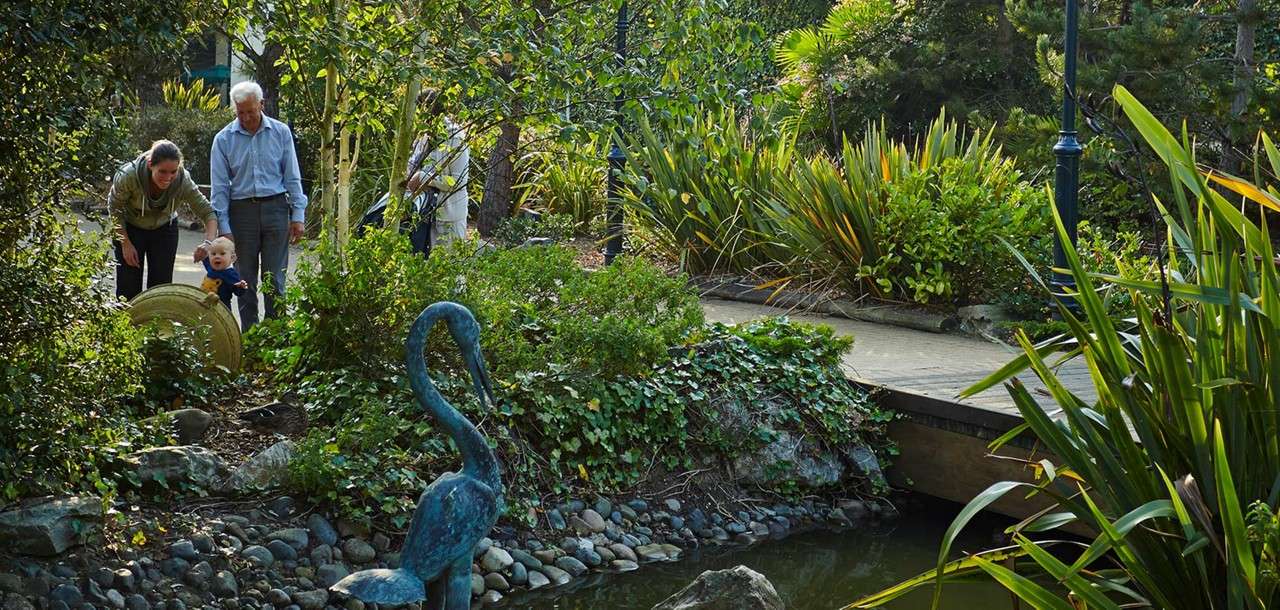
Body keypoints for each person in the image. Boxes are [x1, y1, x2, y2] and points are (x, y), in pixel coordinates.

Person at [210, 81, 308, 332]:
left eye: (250, 111)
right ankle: (251, 335)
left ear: (261, 105)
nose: (245, 118)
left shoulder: (281, 132)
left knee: (275, 278)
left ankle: (276, 334)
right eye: (240, 112)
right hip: (241, 212)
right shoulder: (223, 139)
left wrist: (298, 215)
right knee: (244, 279)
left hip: (276, 208)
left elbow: (292, 176)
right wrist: (224, 227)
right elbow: (219, 188)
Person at [109, 139, 219, 300]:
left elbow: (208, 212)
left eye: (173, 171)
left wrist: (208, 242)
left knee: (160, 288)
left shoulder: (183, 181)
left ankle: (157, 317)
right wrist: (125, 243)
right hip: (130, 227)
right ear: (150, 165)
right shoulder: (128, 176)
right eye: (162, 171)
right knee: (128, 287)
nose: (168, 177)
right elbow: (114, 209)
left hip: (164, 227)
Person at [406, 95, 469, 245]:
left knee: (449, 259)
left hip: (448, 218)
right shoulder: (424, 135)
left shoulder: (455, 138)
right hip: (423, 216)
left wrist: (423, 177)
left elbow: (459, 181)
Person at [199, 236, 248, 311]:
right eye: (213, 254)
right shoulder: (211, 267)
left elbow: (237, 291)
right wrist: (201, 255)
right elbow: (205, 260)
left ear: (232, 258)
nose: (217, 256)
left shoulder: (230, 274)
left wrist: (241, 287)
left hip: (221, 308)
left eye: (222, 254)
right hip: (204, 303)